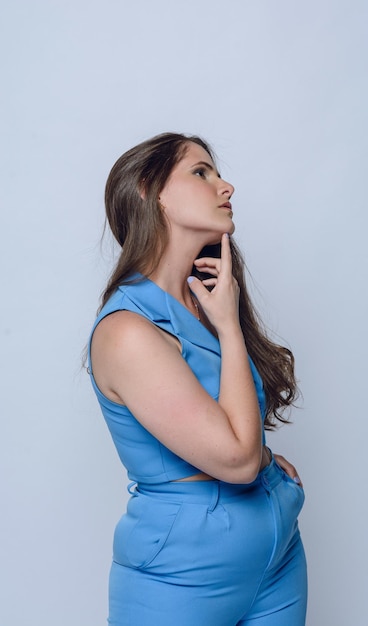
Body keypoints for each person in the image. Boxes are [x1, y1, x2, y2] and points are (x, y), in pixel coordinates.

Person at [88, 132, 307, 625]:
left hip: (277, 557)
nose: (226, 187)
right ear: (150, 189)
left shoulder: (207, 299)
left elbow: (235, 427)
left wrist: (272, 468)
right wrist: (230, 330)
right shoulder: (127, 331)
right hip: (181, 577)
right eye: (201, 172)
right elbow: (237, 460)